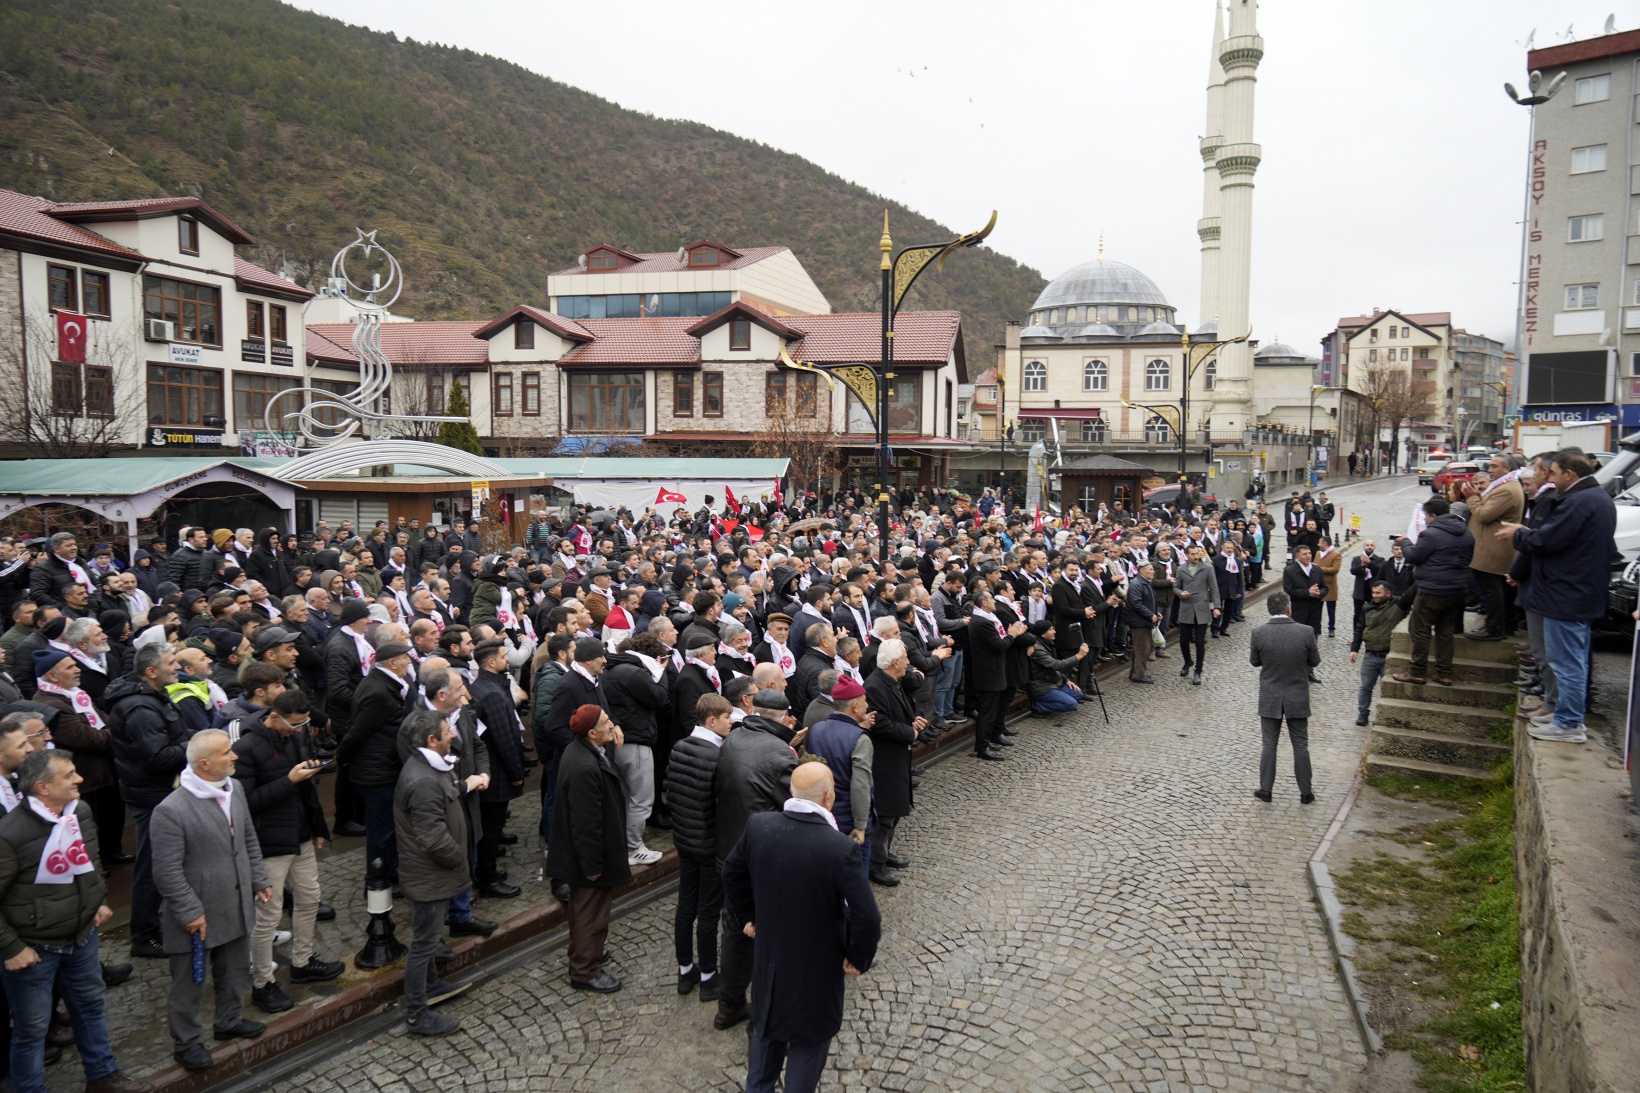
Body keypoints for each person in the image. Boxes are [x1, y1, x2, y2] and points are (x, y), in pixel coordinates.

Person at [721, 762, 881, 1093]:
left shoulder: (759, 826)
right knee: (802, 1073)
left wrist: (750, 916)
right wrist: (858, 957)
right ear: (829, 797)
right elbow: (867, 916)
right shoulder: (841, 848)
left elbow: (731, 872)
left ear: (792, 792)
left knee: (759, 1076)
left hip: (769, 975)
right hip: (815, 983)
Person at [0, 750, 151, 1093]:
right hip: (35, 949)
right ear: (42, 787)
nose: (79, 779)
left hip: (81, 938)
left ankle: (103, 1076)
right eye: (69, 775)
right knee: (32, 1028)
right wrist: (12, 948)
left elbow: (89, 861)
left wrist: (96, 900)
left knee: (90, 1008)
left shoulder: (79, 812)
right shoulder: (9, 835)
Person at [150, 729, 273, 1072]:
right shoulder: (170, 810)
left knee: (235, 970)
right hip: (197, 915)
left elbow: (247, 838)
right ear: (204, 764)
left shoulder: (235, 789)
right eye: (226, 752)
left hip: (235, 904)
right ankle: (187, 1042)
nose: (235, 756)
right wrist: (190, 912)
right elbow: (166, 872)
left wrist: (258, 878)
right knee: (189, 984)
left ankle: (228, 1021)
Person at [231, 689, 344, 1014]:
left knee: (310, 898)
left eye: (303, 724)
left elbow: (306, 790)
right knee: (268, 915)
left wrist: (318, 828)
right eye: (294, 724)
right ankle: (263, 983)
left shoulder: (293, 736)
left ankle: (303, 961)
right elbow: (245, 802)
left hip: (300, 834)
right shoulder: (246, 748)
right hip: (269, 843)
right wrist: (290, 780)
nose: (298, 730)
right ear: (274, 716)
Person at [1499, 449, 1618, 743]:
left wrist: (1518, 534)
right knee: (1570, 662)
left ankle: (1568, 724)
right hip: (1577, 591)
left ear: (1570, 474)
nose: (1550, 478)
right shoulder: (1596, 497)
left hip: (1567, 594)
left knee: (1567, 664)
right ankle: (1563, 715)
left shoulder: (1579, 501)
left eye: (1554, 473)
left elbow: (1548, 540)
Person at [711, 689, 802, 1030]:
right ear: (783, 717)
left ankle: (729, 1004)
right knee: (770, 936)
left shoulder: (733, 738)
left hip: (729, 853)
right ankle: (763, 1019)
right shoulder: (780, 754)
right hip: (763, 861)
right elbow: (795, 804)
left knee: (734, 931)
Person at [393, 709, 483, 1037]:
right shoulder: (422, 780)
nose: (454, 735)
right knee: (424, 941)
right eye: (448, 732)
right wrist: (460, 860)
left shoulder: (432, 767)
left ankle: (431, 985)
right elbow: (432, 837)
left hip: (433, 873)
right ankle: (417, 1014)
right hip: (429, 874)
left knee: (429, 939)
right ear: (432, 740)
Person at [104, 643, 186, 960]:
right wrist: (194, 745)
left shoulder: (150, 697)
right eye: (171, 662)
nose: (177, 666)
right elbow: (157, 757)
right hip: (153, 796)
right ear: (151, 672)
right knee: (152, 866)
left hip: (158, 793)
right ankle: (143, 935)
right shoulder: (139, 708)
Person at [546, 704, 630, 993]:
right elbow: (586, 824)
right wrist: (593, 866)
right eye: (606, 722)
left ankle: (587, 952)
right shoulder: (584, 766)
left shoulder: (582, 751)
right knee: (590, 915)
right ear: (592, 733)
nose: (611, 725)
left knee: (585, 911)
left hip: (584, 855)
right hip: (588, 860)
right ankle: (584, 971)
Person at [665, 693, 733, 1002]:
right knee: (708, 912)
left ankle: (685, 971)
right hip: (707, 846)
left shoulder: (679, 746)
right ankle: (707, 977)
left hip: (684, 841)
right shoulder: (717, 756)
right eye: (727, 718)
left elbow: (672, 793)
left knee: (685, 907)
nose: (731, 722)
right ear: (712, 720)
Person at [1391, 497, 1475, 688]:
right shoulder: (1467, 533)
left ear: (1434, 516)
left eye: (1426, 517)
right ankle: (1444, 673)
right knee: (1445, 631)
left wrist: (1405, 542)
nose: (1426, 520)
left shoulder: (1430, 534)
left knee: (1419, 628)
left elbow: (1413, 556)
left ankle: (1417, 672)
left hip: (1432, 590)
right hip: (1458, 590)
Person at [1249, 592, 1320, 804]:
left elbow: (1255, 662)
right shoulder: (1306, 631)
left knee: (1269, 745)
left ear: (1269, 610)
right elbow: (1314, 661)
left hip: (1270, 696)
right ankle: (1305, 792)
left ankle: (1266, 789)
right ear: (1289, 609)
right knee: (1300, 745)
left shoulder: (1259, 633)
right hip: (1297, 695)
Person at [806, 676, 876, 880]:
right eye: (864, 701)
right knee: (854, 880)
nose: (867, 705)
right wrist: (861, 826)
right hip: (848, 819)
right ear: (855, 706)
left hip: (822, 814)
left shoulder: (816, 729)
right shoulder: (859, 738)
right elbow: (861, 785)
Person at [1462, 452, 1526, 641]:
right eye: (1490, 466)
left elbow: (1484, 515)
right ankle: (1505, 626)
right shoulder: (1505, 485)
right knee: (1500, 589)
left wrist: (1472, 498)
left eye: (1494, 466)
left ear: (1508, 469)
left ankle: (1494, 628)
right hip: (1495, 545)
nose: (1490, 469)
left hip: (1493, 548)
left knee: (1492, 589)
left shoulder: (1506, 489)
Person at [1349, 579, 1417, 727]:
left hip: (1388, 656)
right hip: (1370, 655)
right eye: (1373, 592)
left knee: (1387, 688)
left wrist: (1423, 575)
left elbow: (1410, 594)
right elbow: (1360, 628)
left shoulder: (1398, 606)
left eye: (1378, 593)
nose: (1375, 595)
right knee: (1365, 687)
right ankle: (1363, 713)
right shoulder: (1367, 608)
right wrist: (1354, 649)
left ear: (1388, 593)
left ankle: (1383, 716)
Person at [967, 588, 1025, 759]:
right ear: (984, 603)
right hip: (988, 673)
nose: (994, 601)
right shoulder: (982, 623)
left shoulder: (984, 619)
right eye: (991, 599)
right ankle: (982, 748)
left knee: (990, 711)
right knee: (987, 712)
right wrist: (1012, 635)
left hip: (991, 671)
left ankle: (986, 741)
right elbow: (999, 646)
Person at [1173, 544, 1219, 685]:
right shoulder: (1181, 569)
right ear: (1187, 555)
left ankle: (1198, 671)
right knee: (1183, 641)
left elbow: (1214, 587)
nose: (1195, 556)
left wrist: (1217, 607)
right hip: (1186, 609)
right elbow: (1176, 587)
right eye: (1192, 554)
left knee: (1199, 642)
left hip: (1202, 608)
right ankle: (1188, 661)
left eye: (1197, 553)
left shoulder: (1207, 568)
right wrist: (1181, 593)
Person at [1123, 561, 1160, 683]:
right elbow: (1136, 603)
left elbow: (1149, 601)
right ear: (1142, 571)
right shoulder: (1137, 584)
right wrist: (1150, 614)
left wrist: (1156, 613)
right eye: (1150, 569)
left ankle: (1136, 672)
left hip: (1143, 621)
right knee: (1142, 649)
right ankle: (1139, 675)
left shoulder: (1144, 582)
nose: (1153, 572)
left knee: (1141, 648)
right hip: (1139, 622)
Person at [1281, 545, 1325, 636]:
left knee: (1313, 639)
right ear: (1297, 557)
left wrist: (1319, 593)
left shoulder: (1317, 569)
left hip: (1315, 614)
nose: (1308, 556)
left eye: (1309, 553)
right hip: (1299, 613)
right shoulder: (1290, 571)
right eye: (1304, 554)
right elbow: (1289, 591)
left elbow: (1325, 588)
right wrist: (1308, 592)